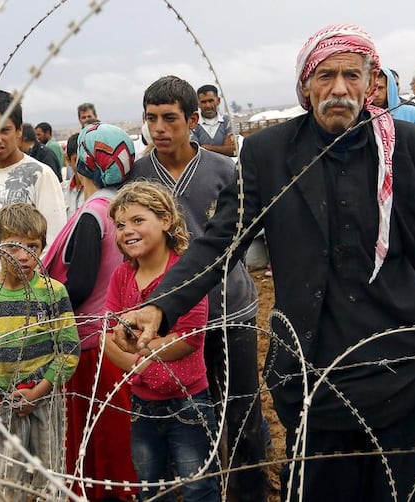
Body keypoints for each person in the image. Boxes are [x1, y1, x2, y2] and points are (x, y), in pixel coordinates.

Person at [114, 23, 415, 501]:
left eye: (351, 75)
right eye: (325, 76)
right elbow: (220, 241)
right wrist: (161, 306)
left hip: (396, 354)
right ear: (306, 85)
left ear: (371, 81)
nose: (338, 89)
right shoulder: (271, 154)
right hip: (312, 361)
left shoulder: (407, 147)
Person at [124, 75, 266, 501]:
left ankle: (249, 488)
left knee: (240, 404)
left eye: (170, 119)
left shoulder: (225, 172)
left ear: (192, 120)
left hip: (228, 308)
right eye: (151, 119)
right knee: (182, 410)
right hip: (170, 321)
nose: (160, 129)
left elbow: (238, 240)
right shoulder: (138, 176)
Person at [104, 181, 219, 501]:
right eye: (120, 225)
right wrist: (138, 356)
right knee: (150, 485)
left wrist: (137, 353)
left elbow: (189, 339)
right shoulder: (121, 276)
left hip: (188, 401)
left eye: (138, 220)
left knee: (198, 484)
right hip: (141, 401)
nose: (127, 230)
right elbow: (108, 332)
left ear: (166, 220)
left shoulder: (184, 274)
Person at [0, 202, 80, 502]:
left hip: (44, 400)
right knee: (7, 478)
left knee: (50, 476)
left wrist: (37, 392)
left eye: (33, 246)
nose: (24, 256)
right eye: (13, 247)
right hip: (0, 404)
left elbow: (69, 348)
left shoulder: (54, 292)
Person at [42, 122, 137, 501]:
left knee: (95, 436)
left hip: (90, 346)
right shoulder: (123, 207)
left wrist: (40, 307)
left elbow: (80, 284)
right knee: (113, 433)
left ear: (82, 163)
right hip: (116, 336)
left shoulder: (92, 213)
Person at [0, 90, 67, 280]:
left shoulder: (40, 175)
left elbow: (55, 240)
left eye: (4, 130)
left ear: (19, 130)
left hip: (31, 292)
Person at [191, 84, 237, 157]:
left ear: (218, 101)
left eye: (211, 101)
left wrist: (207, 148)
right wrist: (223, 149)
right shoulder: (192, 123)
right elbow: (194, 153)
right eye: (203, 102)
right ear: (198, 104)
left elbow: (234, 150)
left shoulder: (228, 121)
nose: (208, 106)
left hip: (227, 167)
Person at [61, 133, 84, 218]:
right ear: (68, 160)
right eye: (77, 160)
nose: (82, 166)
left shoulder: (97, 192)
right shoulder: (61, 190)